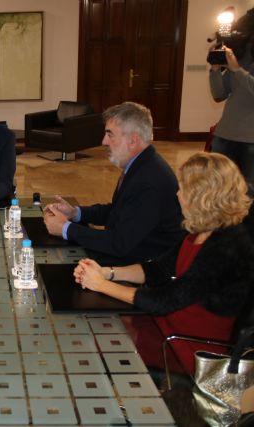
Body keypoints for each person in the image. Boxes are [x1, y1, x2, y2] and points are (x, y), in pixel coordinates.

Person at [74, 152, 254, 373]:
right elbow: (157, 269)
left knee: (96, 343)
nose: (178, 194)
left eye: (183, 189)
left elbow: (165, 301)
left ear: (201, 197)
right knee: (97, 324)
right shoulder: (204, 229)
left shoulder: (228, 247)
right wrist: (107, 272)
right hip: (170, 324)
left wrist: (101, 285)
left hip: (190, 346)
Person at [44, 102, 184, 265]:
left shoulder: (148, 181)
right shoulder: (141, 164)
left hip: (143, 264)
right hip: (129, 249)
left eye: (110, 135)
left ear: (133, 140)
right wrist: (75, 213)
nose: (104, 141)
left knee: (56, 258)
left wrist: (65, 228)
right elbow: (117, 212)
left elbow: (119, 243)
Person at [209, 8, 254, 185]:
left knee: (249, 191)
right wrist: (214, 70)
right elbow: (219, 95)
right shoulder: (240, 57)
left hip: (251, 139)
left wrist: (237, 70)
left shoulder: (238, 66)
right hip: (225, 134)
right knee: (217, 185)